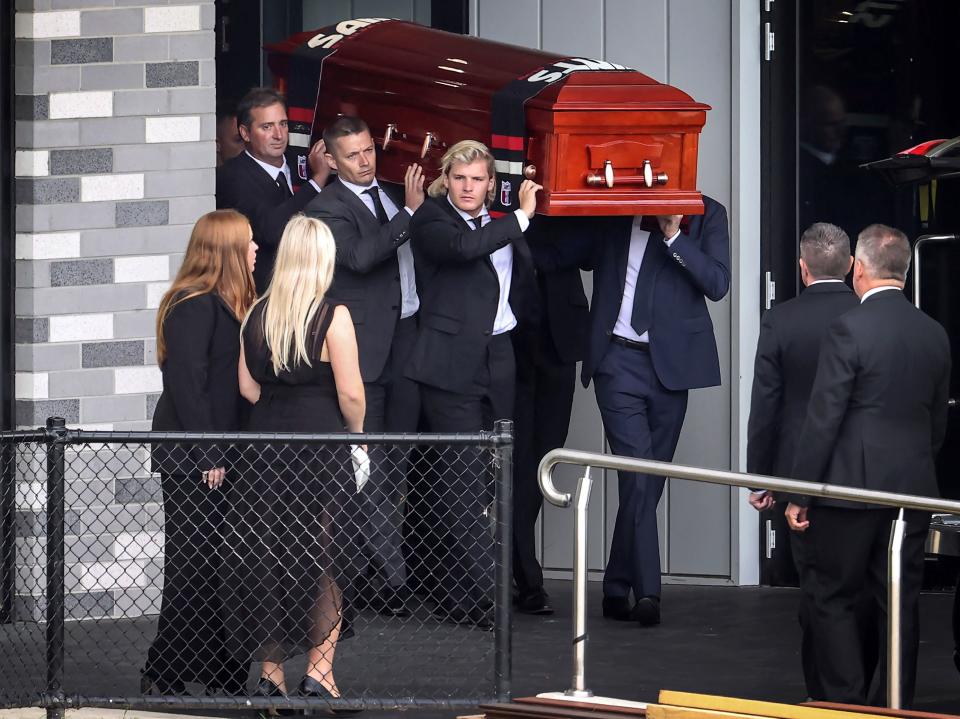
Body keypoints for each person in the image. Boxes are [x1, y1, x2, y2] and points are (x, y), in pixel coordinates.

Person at [788, 224, 951, 707]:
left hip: (849, 490)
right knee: (898, 600)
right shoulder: (934, 332)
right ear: (903, 271)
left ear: (858, 269)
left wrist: (800, 493)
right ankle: (895, 703)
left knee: (832, 596)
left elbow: (824, 418)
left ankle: (844, 704)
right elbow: (936, 422)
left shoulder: (848, 327)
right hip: (912, 489)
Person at [226, 214, 365, 701]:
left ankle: (270, 675)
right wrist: (359, 434)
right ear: (323, 260)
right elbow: (350, 393)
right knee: (327, 559)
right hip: (320, 447)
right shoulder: (333, 316)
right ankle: (320, 671)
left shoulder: (256, 314)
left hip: (263, 449)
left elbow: (247, 388)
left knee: (270, 557)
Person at [406, 139, 540, 628]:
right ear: (447, 178)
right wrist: (521, 217)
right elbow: (464, 250)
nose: (468, 187)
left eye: (477, 179)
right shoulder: (433, 219)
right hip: (448, 365)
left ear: (490, 183)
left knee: (490, 477)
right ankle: (491, 595)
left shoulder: (497, 223)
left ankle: (461, 595)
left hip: (499, 355)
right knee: (461, 478)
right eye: (460, 178)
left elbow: (524, 281)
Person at [579, 198, 730, 627]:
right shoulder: (614, 206)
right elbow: (575, 248)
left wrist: (674, 235)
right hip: (616, 362)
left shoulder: (708, 213)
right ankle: (648, 591)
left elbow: (718, 283)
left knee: (648, 481)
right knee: (639, 474)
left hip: (672, 367)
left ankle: (614, 584)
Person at [305, 115, 425, 617]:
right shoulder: (325, 208)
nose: (366, 160)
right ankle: (384, 581)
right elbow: (361, 257)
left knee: (398, 464)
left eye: (370, 148)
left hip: (408, 342)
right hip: (365, 354)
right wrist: (411, 215)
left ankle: (382, 570)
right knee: (368, 470)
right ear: (330, 158)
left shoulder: (395, 193)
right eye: (353, 154)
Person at [144, 209, 258, 696]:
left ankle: (221, 673)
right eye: (249, 243)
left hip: (225, 455)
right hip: (196, 458)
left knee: (224, 565)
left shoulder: (233, 304)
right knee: (193, 564)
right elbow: (187, 385)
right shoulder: (193, 304)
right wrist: (210, 451)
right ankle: (165, 672)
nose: (257, 250)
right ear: (228, 250)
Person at [745, 222, 857, 698]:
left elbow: (766, 404)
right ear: (852, 266)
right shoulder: (866, 314)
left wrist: (760, 477)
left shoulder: (781, 319)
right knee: (865, 590)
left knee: (817, 590)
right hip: (862, 474)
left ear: (802, 268)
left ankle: (824, 695)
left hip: (796, 478)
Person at [511, 216, 590, 616]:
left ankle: (520, 573)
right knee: (516, 463)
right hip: (511, 346)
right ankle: (527, 579)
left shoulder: (569, 196)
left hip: (560, 343)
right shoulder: (505, 187)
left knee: (543, 461)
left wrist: (533, 249)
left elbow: (590, 248)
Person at [217, 87, 330, 292]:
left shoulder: (303, 161)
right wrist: (317, 181)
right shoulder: (232, 176)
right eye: (267, 127)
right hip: (265, 296)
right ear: (245, 133)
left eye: (283, 124)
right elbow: (270, 229)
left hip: (314, 289)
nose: (278, 135)